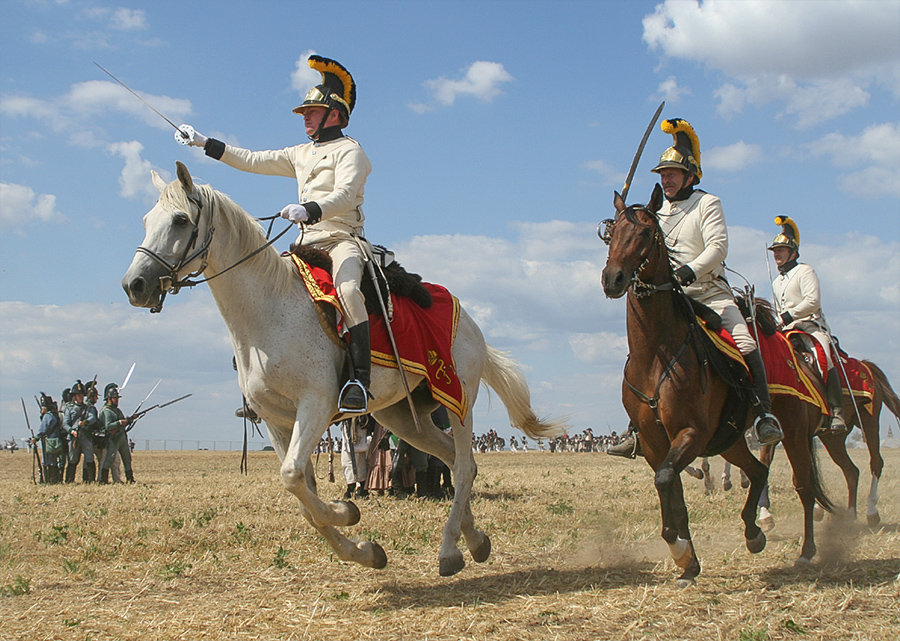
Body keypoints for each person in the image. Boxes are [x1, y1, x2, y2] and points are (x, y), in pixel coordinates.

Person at [177, 55, 373, 413]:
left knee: (348, 291)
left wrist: (310, 210)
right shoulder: (300, 153)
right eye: (304, 112)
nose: (305, 117)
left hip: (341, 240)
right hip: (305, 244)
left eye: (312, 111)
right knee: (259, 289)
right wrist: (204, 143)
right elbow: (253, 160)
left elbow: (345, 196)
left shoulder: (351, 151)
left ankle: (360, 381)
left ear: (334, 114)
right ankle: (260, 382)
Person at [608, 118, 783, 458]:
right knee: (643, 353)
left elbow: (718, 247)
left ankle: (763, 415)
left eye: (673, 173)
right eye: (663, 175)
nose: (666, 180)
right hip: (671, 298)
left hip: (709, 293)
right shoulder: (657, 212)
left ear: (690, 175)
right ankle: (638, 429)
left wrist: (690, 271)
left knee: (746, 343)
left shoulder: (707, 203)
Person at [769, 216, 847, 433]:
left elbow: (813, 301)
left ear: (793, 253)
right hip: (786, 331)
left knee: (823, 358)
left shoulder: (805, 271)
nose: (777, 254)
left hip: (810, 327)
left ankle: (837, 411)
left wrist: (788, 316)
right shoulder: (776, 282)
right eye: (775, 251)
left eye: (781, 250)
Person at [98, 383, 137, 484]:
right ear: (109, 399)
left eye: (117, 398)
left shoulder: (117, 410)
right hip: (113, 439)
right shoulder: (106, 411)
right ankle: (103, 479)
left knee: (127, 458)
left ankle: (130, 479)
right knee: (110, 459)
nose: (116, 400)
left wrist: (129, 420)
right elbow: (108, 426)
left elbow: (124, 422)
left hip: (122, 437)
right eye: (114, 398)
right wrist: (119, 423)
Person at [64, 380, 100, 483]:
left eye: (81, 395)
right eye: (78, 395)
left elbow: (92, 418)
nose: (80, 397)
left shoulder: (88, 408)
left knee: (89, 457)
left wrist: (86, 422)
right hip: (74, 436)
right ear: (74, 397)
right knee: (72, 459)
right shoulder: (69, 408)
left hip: (85, 435)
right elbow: (65, 424)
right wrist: (71, 431)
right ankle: (69, 480)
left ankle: (90, 480)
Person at [32, 393, 64, 484]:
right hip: (55, 441)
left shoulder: (48, 416)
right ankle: (54, 479)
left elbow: (43, 428)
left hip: (49, 441)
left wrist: (36, 438)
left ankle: (49, 480)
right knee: (53, 461)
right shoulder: (54, 415)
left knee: (47, 461)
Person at [339, 417, 370, 499]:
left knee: (352, 462)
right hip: (353, 427)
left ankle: (353, 488)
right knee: (353, 462)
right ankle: (359, 488)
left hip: (358, 426)